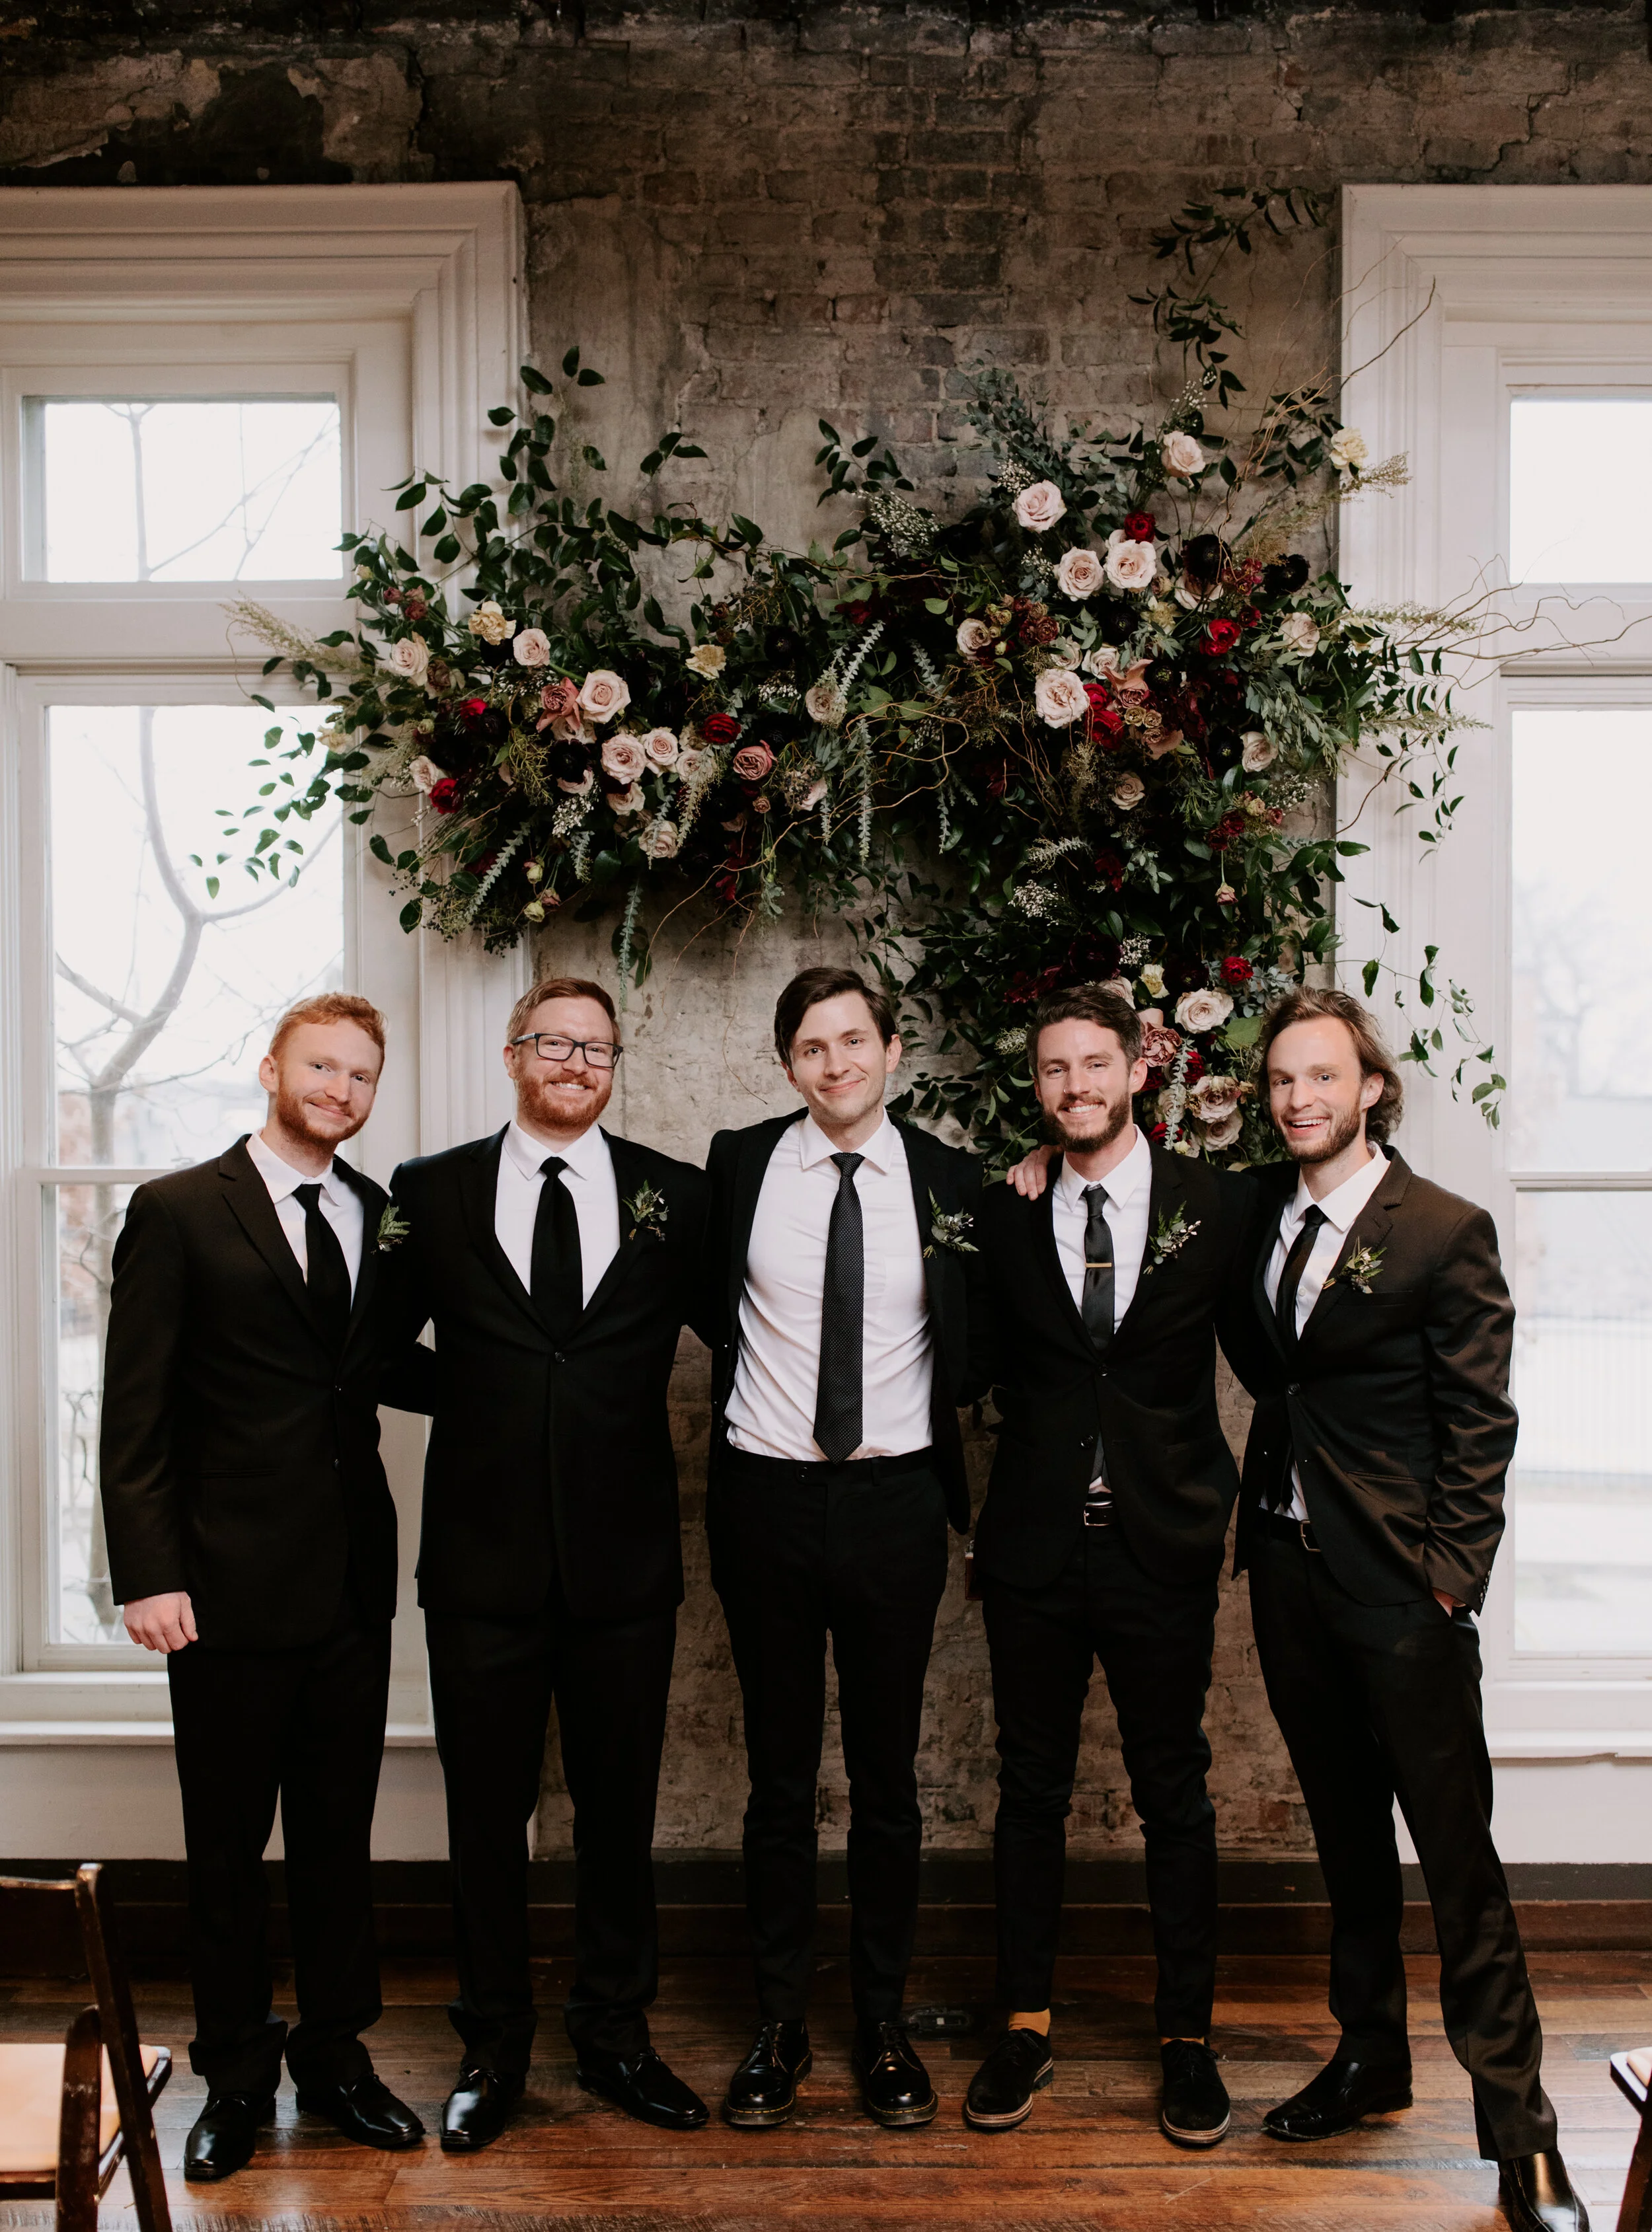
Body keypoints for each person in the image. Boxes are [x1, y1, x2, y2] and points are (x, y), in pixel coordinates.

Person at [1224, 986, 1585, 2232]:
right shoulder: (1258, 1214)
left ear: (1371, 1085)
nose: (1298, 1100)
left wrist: (1447, 1580)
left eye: (1321, 1077)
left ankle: (1522, 2131)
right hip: (1284, 1574)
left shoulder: (1443, 1229)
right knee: (1343, 1841)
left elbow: (1482, 1424)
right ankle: (1369, 2056)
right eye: (1280, 1080)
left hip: (1401, 1589)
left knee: (1460, 1862)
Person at [382, 975, 712, 2149]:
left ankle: (617, 2034)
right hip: (481, 1564)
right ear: (514, 1053)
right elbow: (371, 1346)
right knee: (487, 1814)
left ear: (615, 1065)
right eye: (555, 1043)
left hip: (626, 1566)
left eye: (598, 1047)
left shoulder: (677, 1195)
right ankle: (494, 2041)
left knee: (621, 1812)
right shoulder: (430, 1193)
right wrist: (484, 1398)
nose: (577, 1062)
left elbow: (756, 1321)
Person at [100, 992, 425, 2182]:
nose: (341, 1090)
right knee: (227, 1848)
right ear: (272, 1068)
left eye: (361, 1076)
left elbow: (381, 1368)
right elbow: (135, 1414)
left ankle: (338, 2059)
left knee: (339, 1839)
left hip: (350, 1589)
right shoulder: (180, 1209)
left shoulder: (379, 1217)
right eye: (322, 1066)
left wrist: (535, 1372)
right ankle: (235, 2074)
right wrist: (149, 1575)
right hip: (222, 1592)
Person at [960, 985, 1252, 2143]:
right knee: (1028, 1793)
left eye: (1095, 1064)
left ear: (1140, 1067)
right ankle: (1024, 2023)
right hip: (1033, 1549)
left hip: (1161, 1545)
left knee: (1171, 1790)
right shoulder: (1004, 1211)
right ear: (1036, 1088)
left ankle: (1187, 2037)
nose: (1075, 1086)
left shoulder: (1217, 1207)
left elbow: (1288, 1339)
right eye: (1053, 1070)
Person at [702, 965, 984, 2132]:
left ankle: (880, 2023)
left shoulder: (957, 1180)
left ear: (891, 1050)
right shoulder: (736, 1168)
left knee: (884, 1783)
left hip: (894, 1505)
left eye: (854, 1040)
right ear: (787, 1065)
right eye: (812, 1046)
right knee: (776, 1781)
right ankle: (778, 2024)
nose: (836, 1063)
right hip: (765, 1499)